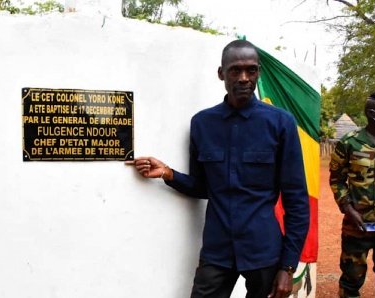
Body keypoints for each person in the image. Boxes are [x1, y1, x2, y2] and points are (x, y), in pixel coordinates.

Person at [126, 40, 310, 298]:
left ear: (258, 72)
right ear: (221, 73)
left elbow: (297, 201)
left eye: (251, 70)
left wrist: (288, 267)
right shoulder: (203, 123)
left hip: (263, 250)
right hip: (218, 249)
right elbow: (202, 187)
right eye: (235, 70)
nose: (244, 78)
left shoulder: (280, 123)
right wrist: (168, 173)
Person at [329, 92, 375, 298]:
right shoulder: (350, 143)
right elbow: (336, 179)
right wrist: (348, 209)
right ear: (371, 113)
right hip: (356, 226)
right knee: (351, 283)